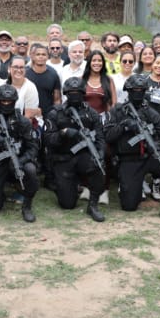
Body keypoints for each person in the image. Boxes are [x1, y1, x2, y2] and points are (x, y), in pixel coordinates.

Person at [106, 75, 160, 223]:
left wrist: (156, 146)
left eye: (141, 90)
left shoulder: (152, 113)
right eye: (135, 90)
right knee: (129, 206)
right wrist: (124, 126)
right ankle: (131, 189)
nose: (138, 93)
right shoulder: (117, 111)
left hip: (150, 157)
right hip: (129, 160)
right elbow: (108, 136)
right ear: (128, 91)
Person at [42, 77, 107, 222]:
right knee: (67, 204)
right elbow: (47, 139)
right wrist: (63, 133)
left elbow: (100, 138)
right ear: (66, 93)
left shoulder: (91, 113)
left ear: (83, 93)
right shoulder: (55, 113)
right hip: (63, 158)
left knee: (98, 166)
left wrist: (101, 153)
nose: (75, 95)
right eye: (71, 92)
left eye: (78, 92)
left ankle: (93, 205)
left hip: (84, 155)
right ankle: (67, 185)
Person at [0, 85, 40, 222]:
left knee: (31, 170)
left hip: (18, 162)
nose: (6, 104)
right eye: (3, 101)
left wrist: (21, 161)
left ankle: (27, 205)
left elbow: (33, 147)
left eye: (9, 101)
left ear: (15, 101)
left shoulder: (22, 122)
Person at [5, 56, 41, 120]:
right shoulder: (3, 85)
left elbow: (29, 119)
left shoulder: (30, 87)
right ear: (9, 68)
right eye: (16, 67)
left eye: (22, 67)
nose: (19, 70)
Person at [81, 50, 116, 114]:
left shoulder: (109, 80)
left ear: (103, 63)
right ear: (89, 63)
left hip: (104, 120)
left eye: (100, 61)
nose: (97, 63)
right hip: (85, 119)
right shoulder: (81, 79)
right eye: (94, 60)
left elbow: (114, 103)